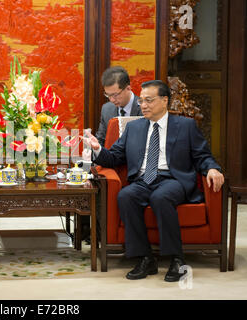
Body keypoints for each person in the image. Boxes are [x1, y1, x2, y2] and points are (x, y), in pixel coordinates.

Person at [86, 80, 224, 282]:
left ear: (164, 100)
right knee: (126, 196)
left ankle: (177, 259)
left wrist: (212, 168)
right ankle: (145, 258)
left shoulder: (185, 125)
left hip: (173, 178)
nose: (143, 105)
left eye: (149, 100)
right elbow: (114, 157)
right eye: (141, 101)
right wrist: (97, 148)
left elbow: (202, 155)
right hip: (143, 179)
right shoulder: (134, 128)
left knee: (161, 197)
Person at [95, 66, 143, 147]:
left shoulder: (145, 108)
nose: (112, 100)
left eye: (115, 95)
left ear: (128, 88)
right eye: (108, 95)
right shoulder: (107, 109)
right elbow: (101, 139)